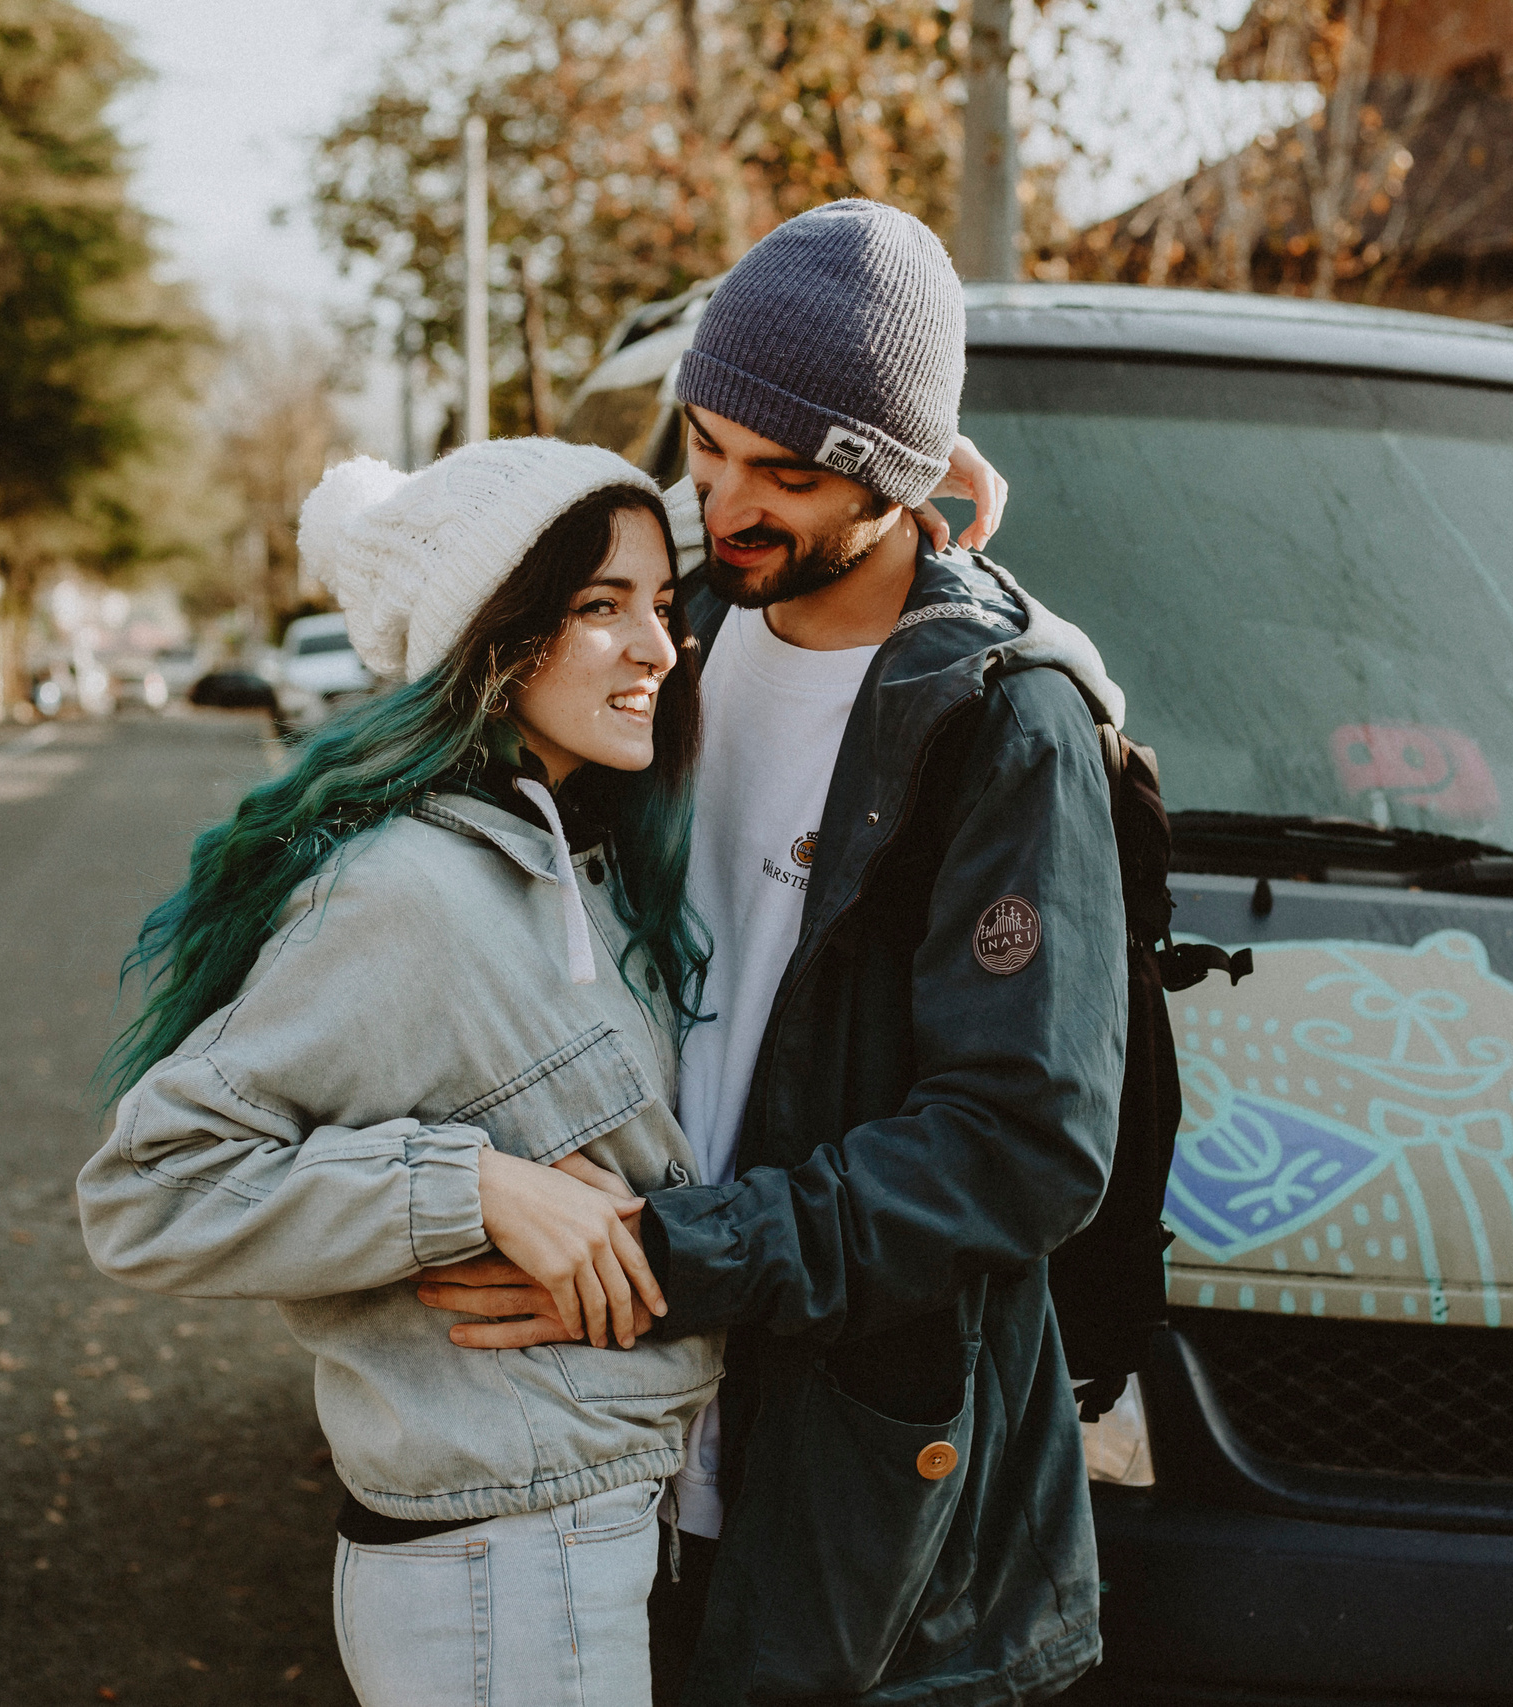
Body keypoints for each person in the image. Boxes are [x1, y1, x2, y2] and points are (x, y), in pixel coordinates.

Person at [415, 200, 1132, 1706]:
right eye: (708, 446)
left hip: (862, 1481)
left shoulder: (1004, 724)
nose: (729, 502)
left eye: (788, 474)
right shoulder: (676, 631)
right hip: (620, 1432)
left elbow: (1025, 1145)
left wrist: (677, 1260)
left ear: (896, 474)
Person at [77, 439, 718, 1707]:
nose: (656, 647)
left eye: (661, 604)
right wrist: (468, 1187)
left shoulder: (579, 865)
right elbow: (148, 1191)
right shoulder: (408, 892)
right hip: (503, 1567)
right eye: (602, 607)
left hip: (581, 1535)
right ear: (496, 636)